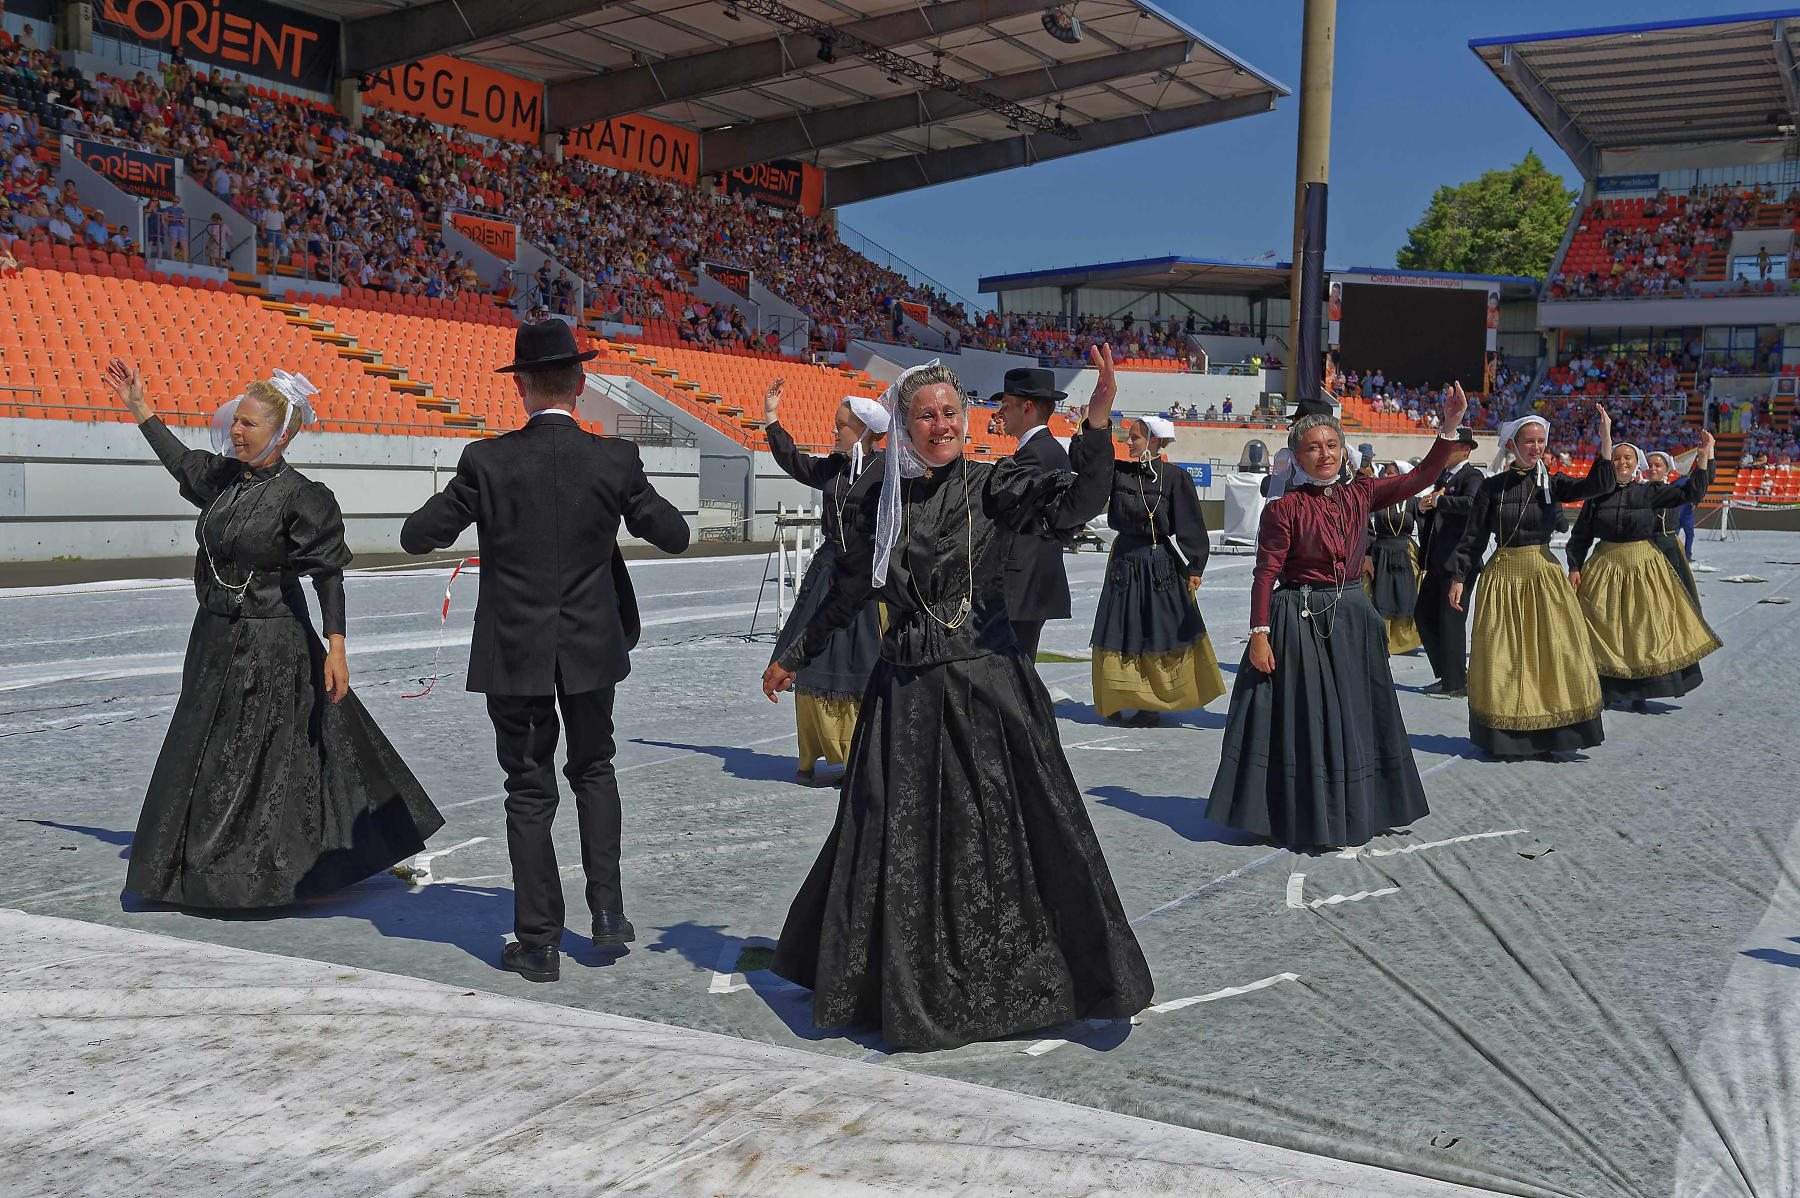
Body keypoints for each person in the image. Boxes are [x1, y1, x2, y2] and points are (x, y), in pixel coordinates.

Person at [760, 347, 1153, 1052]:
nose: (941, 425)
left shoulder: (994, 485)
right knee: (893, 840)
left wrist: (1095, 425)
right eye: (926, 416)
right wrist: (795, 653)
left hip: (987, 689)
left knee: (1007, 838)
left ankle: (1017, 981)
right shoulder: (875, 499)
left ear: (964, 418)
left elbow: (1077, 506)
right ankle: (896, 983)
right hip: (905, 696)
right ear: (904, 427)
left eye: (949, 412)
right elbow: (849, 590)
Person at [401, 320, 690, 984]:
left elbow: (419, 536)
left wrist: (480, 510)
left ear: (523, 386)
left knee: (528, 790)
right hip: (592, 645)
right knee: (594, 770)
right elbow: (672, 535)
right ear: (581, 385)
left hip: (515, 650)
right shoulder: (615, 461)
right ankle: (608, 913)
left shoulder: (487, 461)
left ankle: (538, 943)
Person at [102, 358, 443, 908]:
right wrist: (140, 407)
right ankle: (187, 867)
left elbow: (327, 576)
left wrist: (336, 647)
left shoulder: (304, 496)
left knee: (255, 762)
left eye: (249, 424)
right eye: (236, 420)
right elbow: (180, 461)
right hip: (212, 641)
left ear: (280, 435)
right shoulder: (221, 479)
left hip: (272, 646)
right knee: (201, 753)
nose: (236, 430)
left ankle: (248, 876)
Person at [1205, 385, 1468, 850]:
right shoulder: (1283, 509)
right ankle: (1307, 811)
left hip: (1352, 616)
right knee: (1309, 719)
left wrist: (1447, 427)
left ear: (1343, 451)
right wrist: (1259, 634)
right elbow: (1265, 574)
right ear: (1298, 457)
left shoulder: (1362, 493)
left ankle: (1359, 805)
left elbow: (1425, 474)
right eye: (1313, 448)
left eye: (1331, 445)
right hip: (1299, 618)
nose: (1324, 454)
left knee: (1353, 714)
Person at [1447, 409, 1617, 759]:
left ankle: (1553, 732)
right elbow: (1473, 536)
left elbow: (1597, 485)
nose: (1536, 447)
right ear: (1513, 444)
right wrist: (1459, 577)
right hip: (1503, 575)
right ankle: (1505, 736)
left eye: (1541, 441)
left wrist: (1605, 439)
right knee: (1503, 655)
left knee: (1551, 651)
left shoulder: (1553, 483)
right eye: (1529, 441)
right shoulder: (1491, 486)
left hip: (1543, 575)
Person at [763, 380, 888, 783]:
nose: (833, 431)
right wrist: (771, 419)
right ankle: (813, 753)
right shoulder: (833, 467)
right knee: (810, 656)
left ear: (864, 431)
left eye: (840, 426)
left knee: (860, 662)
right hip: (828, 570)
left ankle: (858, 755)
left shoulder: (888, 472)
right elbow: (795, 463)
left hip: (866, 579)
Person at [1567, 435, 1720, 709]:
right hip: (1604, 568)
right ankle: (1606, 689)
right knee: (1604, 628)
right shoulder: (1597, 497)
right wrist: (1575, 565)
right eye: (1617, 458)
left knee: (1642, 628)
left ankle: (1641, 689)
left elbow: (1692, 494)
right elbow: (1580, 536)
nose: (1622, 462)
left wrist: (1705, 456)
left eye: (1627, 458)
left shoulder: (1650, 491)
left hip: (1643, 567)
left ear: (1636, 463)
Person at [1090, 415, 1223, 726]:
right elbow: (1090, 464)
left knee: (1154, 632)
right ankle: (1116, 697)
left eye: (1134, 437)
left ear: (1154, 440)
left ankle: (1150, 704)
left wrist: (1195, 565)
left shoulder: (1175, 478)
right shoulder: (1119, 473)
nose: (1128, 443)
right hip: (1124, 561)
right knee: (1119, 630)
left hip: (1160, 563)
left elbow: (1191, 524)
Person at [994, 367, 1073, 661]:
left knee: (1013, 671)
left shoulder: (1036, 454)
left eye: (1006, 405)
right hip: (1029, 582)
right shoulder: (1043, 450)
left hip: (1022, 582)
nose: (1001, 413)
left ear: (1027, 407)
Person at [1414, 427, 1482, 696]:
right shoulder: (1444, 476)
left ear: (1465, 450)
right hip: (1438, 559)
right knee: (1424, 614)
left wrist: (1440, 500)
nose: (1445, 453)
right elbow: (1436, 512)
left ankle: (1456, 683)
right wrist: (1426, 505)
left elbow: (1471, 504)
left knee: (1451, 620)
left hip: (1459, 562)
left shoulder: (1472, 475)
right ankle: (1447, 673)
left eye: (1450, 448)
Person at [1363, 462, 1423, 655]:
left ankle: (1403, 641)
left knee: (1405, 594)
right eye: (1386, 473)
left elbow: (1423, 528)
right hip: (1382, 551)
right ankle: (1383, 639)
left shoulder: (1412, 500)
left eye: (1393, 473)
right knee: (1382, 595)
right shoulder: (1377, 498)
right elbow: (1367, 527)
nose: (1389, 477)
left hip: (1404, 550)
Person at [1646, 449, 1701, 598]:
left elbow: (1698, 488)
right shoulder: (1637, 491)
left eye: (1657, 465)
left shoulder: (1675, 488)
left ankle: (1688, 554)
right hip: (1644, 550)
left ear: (1666, 470)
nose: (1653, 469)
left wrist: (1705, 459)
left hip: (1669, 546)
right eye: (1649, 465)